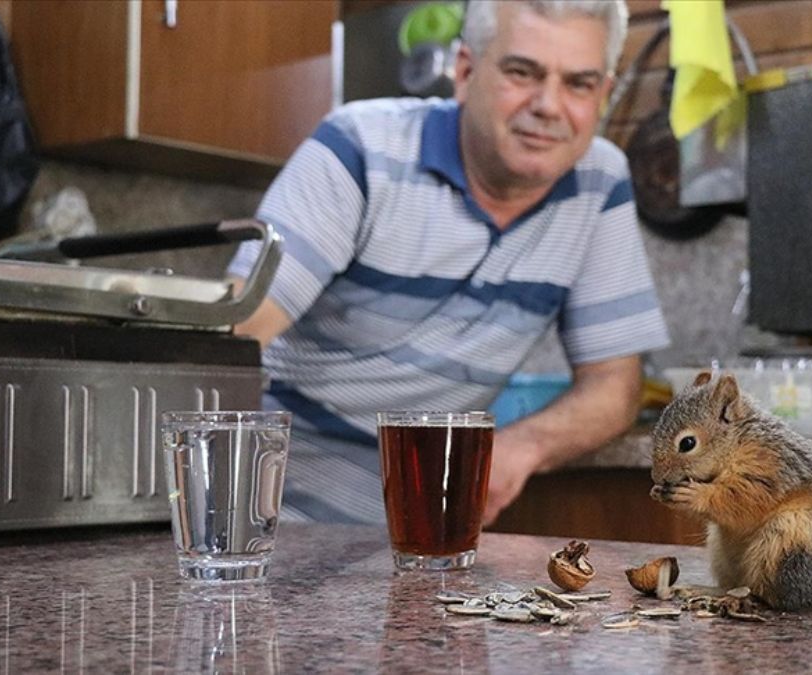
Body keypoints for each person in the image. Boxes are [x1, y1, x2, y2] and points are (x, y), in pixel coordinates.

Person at [228, 0, 670, 527]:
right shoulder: (359, 148)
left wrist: (520, 448)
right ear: (464, 72)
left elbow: (615, 386)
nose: (549, 105)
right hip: (269, 512)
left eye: (578, 83)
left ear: (602, 93)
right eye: (521, 72)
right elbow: (233, 335)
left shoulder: (600, 182)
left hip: (423, 527)